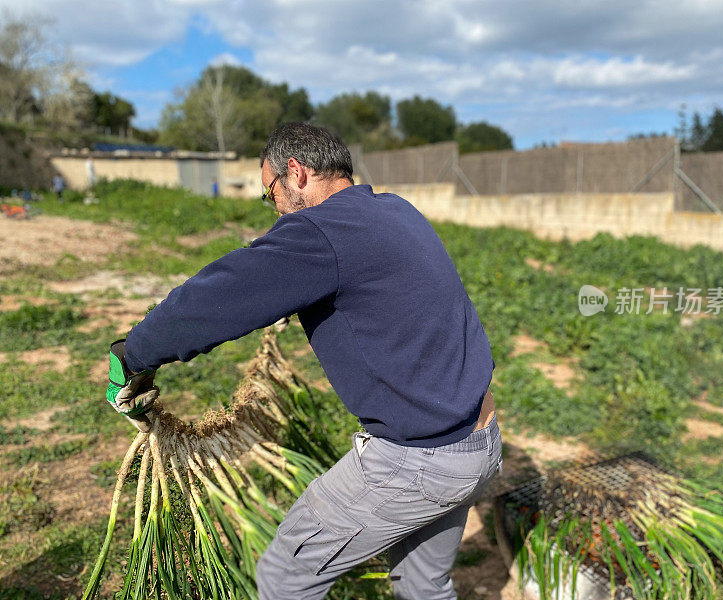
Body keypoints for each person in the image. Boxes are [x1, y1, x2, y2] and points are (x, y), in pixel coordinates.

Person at [106, 122, 501, 600]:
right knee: (422, 585)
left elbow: (220, 296)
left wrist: (135, 353)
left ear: (295, 173)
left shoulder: (321, 232)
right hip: (479, 439)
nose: (273, 207)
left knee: (284, 577)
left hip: (417, 463)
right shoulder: (395, 210)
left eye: (268, 191)